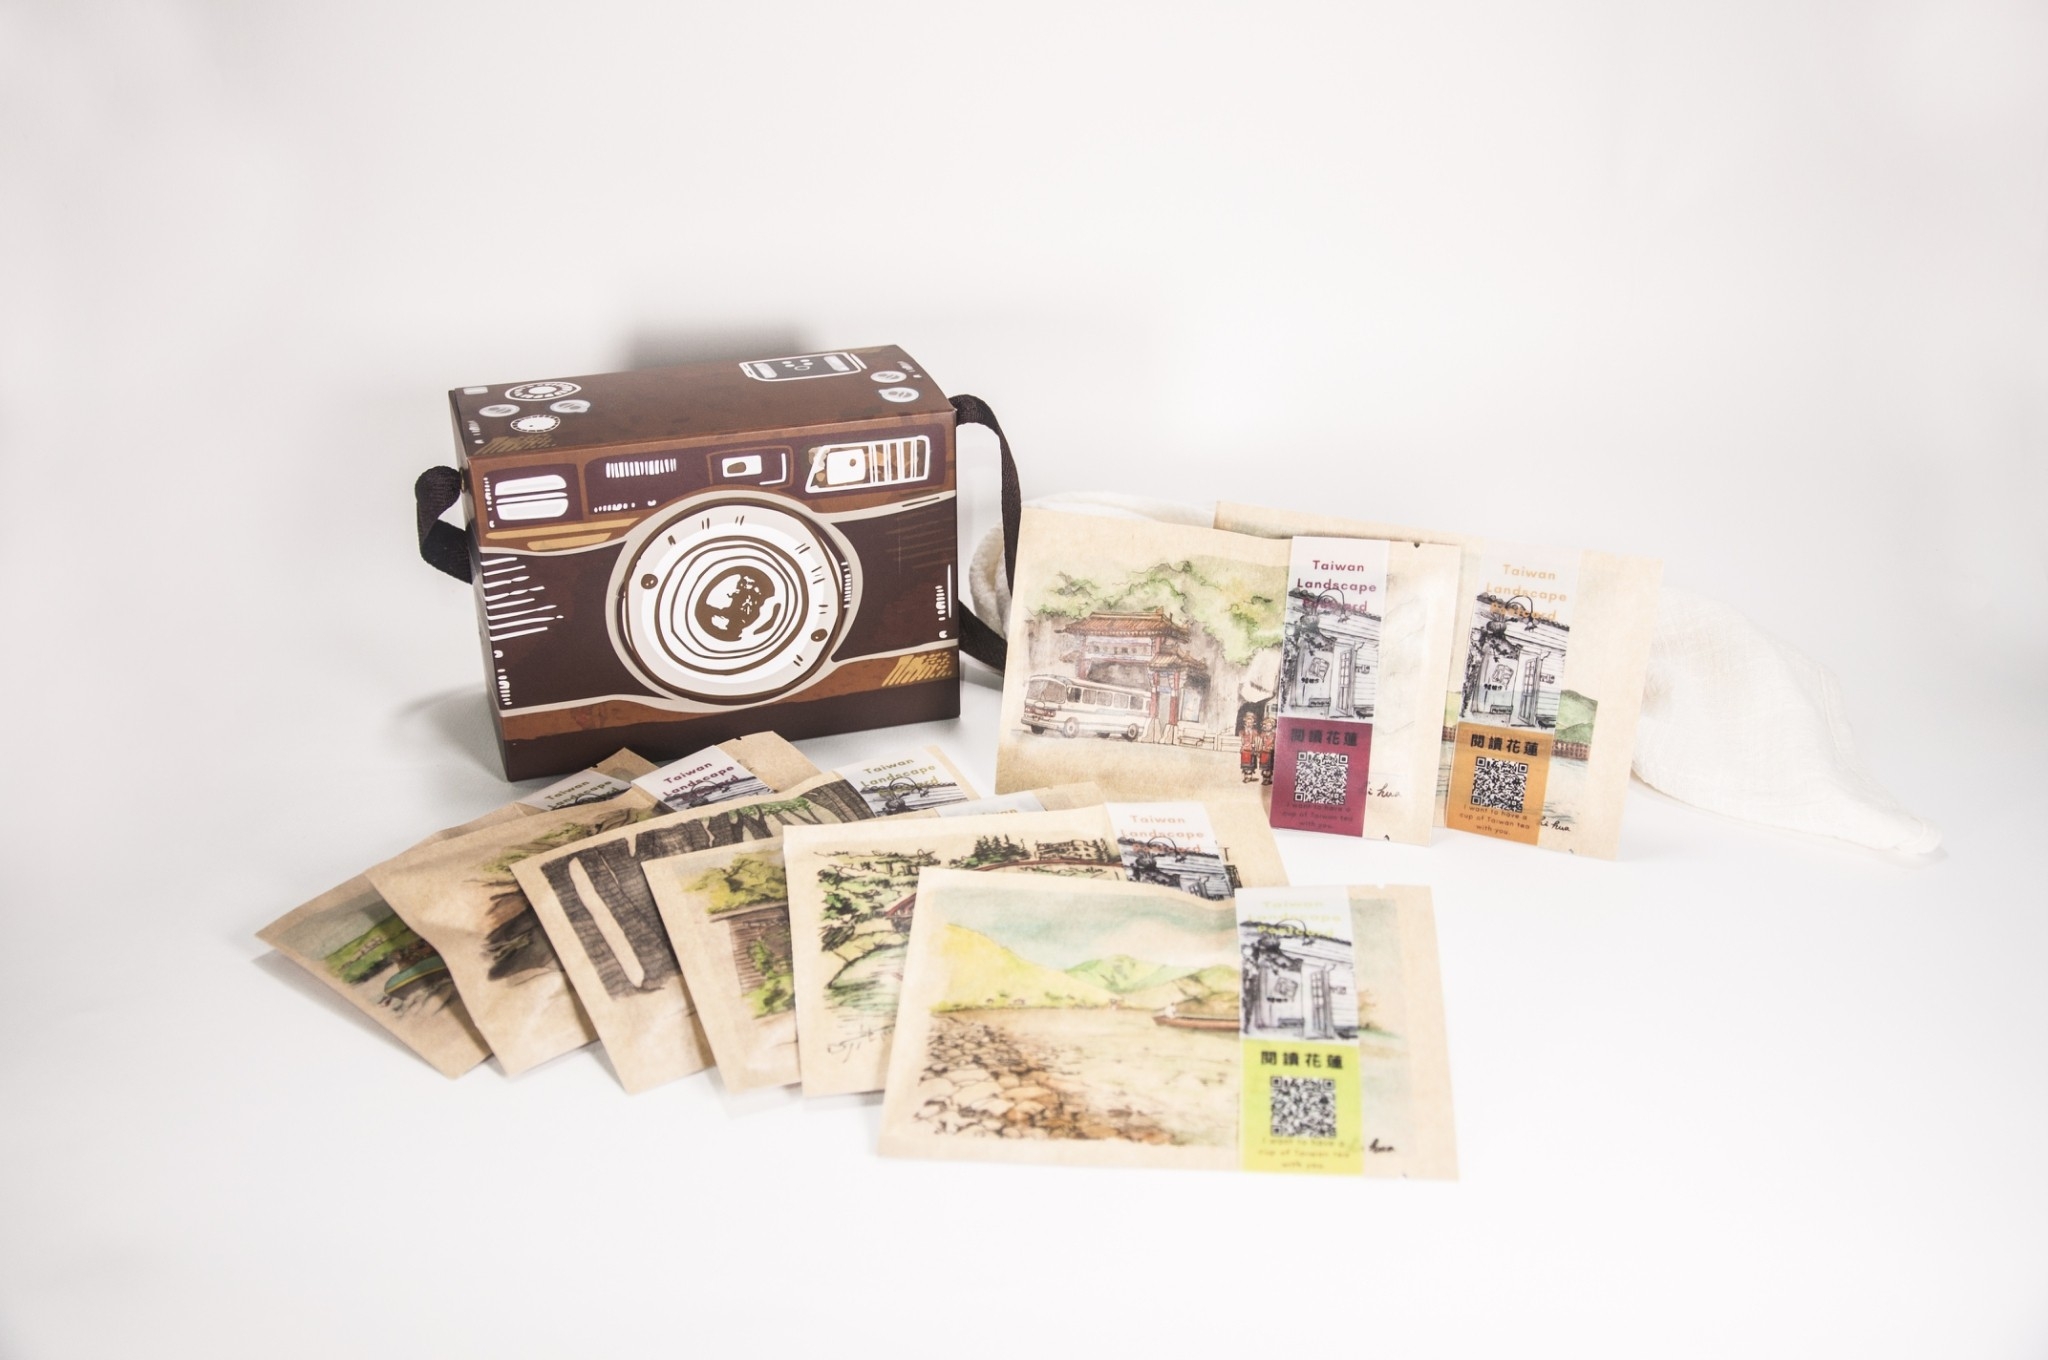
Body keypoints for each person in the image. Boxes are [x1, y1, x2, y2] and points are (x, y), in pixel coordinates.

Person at [1239, 713, 1259, 783]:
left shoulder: (1255, 732)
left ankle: (1250, 776)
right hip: (1245, 750)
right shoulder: (1242, 732)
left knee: (1251, 764)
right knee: (1245, 764)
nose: (1249, 724)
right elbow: (1241, 739)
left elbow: (1256, 740)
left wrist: (1255, 747)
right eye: (1247, 722)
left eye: (1250, 723)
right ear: (1245, 723)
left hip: (1252, 750)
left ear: (1253, 723)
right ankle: (1246, 777)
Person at [1258, 713, 1278, 786]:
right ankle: (1264, 779)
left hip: (1270, 753)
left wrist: (1272, 747)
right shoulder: (1262, 734)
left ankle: (1268, 779)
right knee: (1264, 767)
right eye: (1267, 725)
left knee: (1269, 767)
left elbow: (1276, 743)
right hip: (1263, 753)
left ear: (1272, 726)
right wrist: (1259, 749)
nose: (1268, 727)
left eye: (1270, 725)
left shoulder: (1274, 735)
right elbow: (1260, 742)